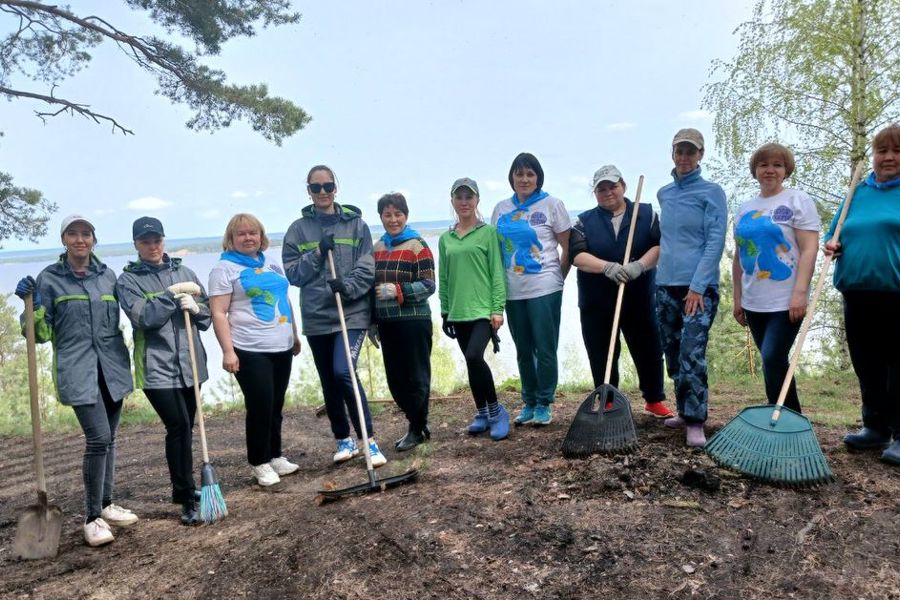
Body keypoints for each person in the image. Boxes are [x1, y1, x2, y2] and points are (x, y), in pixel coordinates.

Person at [14, 215, 137, 547]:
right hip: (77, 370)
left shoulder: (107, 276)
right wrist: (31, 307)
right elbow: (37, 334)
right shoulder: (49, 279)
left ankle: (107, 504)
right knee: (98, 439)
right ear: (64, 239)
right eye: (73, 234)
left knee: (110, 439)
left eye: (86, 234)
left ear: (94, 240)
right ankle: (92, 517)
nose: (80, 239)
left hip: (111, 368)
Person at [282, 165, 387, 466]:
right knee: (329, 380)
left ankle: (369, 441)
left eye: (328, 186)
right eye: (317, 188)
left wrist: (349, 286)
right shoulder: (298, 229)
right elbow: (293, 274)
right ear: (309, 191)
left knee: (344, 371)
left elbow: (367, 266)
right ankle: (344, 439)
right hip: (317, 316)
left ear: (335, 188)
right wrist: (316, 253)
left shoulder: (356, 225)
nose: (323, 192)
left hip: (351, 312)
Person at [116, 216, 211, 525]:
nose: (153, 246)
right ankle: (185, 494)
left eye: (157, 239)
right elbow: (144, 317)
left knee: (188, 426)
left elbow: (207, 316)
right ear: (136, 245)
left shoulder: (185, 271)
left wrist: (196, 309)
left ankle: (188, 489)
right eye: (145, 241)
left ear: (164, 240)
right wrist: (171, 296)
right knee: (179, 426)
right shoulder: (128, 281)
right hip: (156, 368)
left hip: (191, 363)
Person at [569, 165, 673, 417]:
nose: (608, 192)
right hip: (597, 300)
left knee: (648, 347)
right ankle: (607, 399)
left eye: (612, 186)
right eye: (601, 189)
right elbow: (577, 256)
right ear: (595, 193)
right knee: (601, 350)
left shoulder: (646, 214)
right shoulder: (584, 221)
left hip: (638, 296)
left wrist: (640, 265)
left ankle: (653, 399)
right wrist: (606, 268)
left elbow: (660, 246)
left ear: (623, 186)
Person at [824, 123, 900, 466]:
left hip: (895, 292)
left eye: (897, 151)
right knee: (866, 363)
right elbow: (835, 232)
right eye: (882, 151)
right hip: (855, 291)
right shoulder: (857, 192)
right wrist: (833, 245)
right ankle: (875, 426)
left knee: (897, 366)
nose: (888, 157)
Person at [208, 213, 302, 487]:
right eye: (242, 234)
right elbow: (218, 313)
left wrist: (294, 334)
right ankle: (259, 462)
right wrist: (228, 352)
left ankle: (275, 455)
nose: (248, 238)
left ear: (261, 236)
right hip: (249, 347)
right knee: (260, 404)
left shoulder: (271, 263)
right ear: (231, 239)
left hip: (281, 344)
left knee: (275, 404)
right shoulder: (223, 269)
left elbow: (284, 299)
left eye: (253, 233)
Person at [732, 144, 820, 413]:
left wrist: (800, 293)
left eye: (777, 165)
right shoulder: (745, 208)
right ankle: (784, 417)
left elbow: (809, 248)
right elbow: (739, 256)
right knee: (773, 362)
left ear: (786, 170)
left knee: (772, 357)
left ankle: (786, 417)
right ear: (755, 170)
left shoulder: (797, 200)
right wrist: (738, 298)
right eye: (764, 165)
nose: (770, 170)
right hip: (754, 301)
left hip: (786, 301)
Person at [656, 128, 728, 448]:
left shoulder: (712, 192)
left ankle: (697, 420)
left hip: (698, 288)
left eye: (691, 151)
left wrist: (698, 287)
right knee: (672, 351)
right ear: (672, 154)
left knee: (691, 351)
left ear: (701, 154)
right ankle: (684, 410)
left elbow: (715, 241)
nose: (684, 157)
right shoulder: (664, 194)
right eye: (679, 151)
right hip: (665, 285)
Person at [491, 153, 571, 426]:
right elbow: (496, 252)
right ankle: (529, 401)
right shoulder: (501, 209)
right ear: (512, 177)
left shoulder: (552, 204)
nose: (524, 179)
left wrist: (557, 279)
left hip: (545, 287)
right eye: (519, 174)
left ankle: (544, 402)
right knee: (523, 349)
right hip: (513, 290)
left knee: (545, 348)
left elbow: (567, 248)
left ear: (538, 177)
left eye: (530, 174)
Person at [440, 177, 509, 441]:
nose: (464, 202)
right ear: (453, 201)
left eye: (469, 197)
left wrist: (497, 308)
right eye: (460, 197)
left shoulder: (488, 233)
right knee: (471, 365)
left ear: (477, 200)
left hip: (482, 310)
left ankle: (496, 411)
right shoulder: (446, 239)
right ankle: (481, 412)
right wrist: (445, 310)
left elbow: (497, 273)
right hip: (458, 311)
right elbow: (444, 277)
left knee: (473, 356)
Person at [371, 193, 435, 451]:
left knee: (416, 378)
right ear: (381, 218)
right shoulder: (377, 248)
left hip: (414, 320)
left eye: (398, 214)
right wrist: (372, 321)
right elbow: (370, 287)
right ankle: (417, 423)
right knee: (395, 381)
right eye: (388, 214)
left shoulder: (417, 245)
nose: (393, 219)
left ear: (406, 216)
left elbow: (429, 284)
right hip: (387, 323)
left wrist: (398, 291)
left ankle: (416, 428)